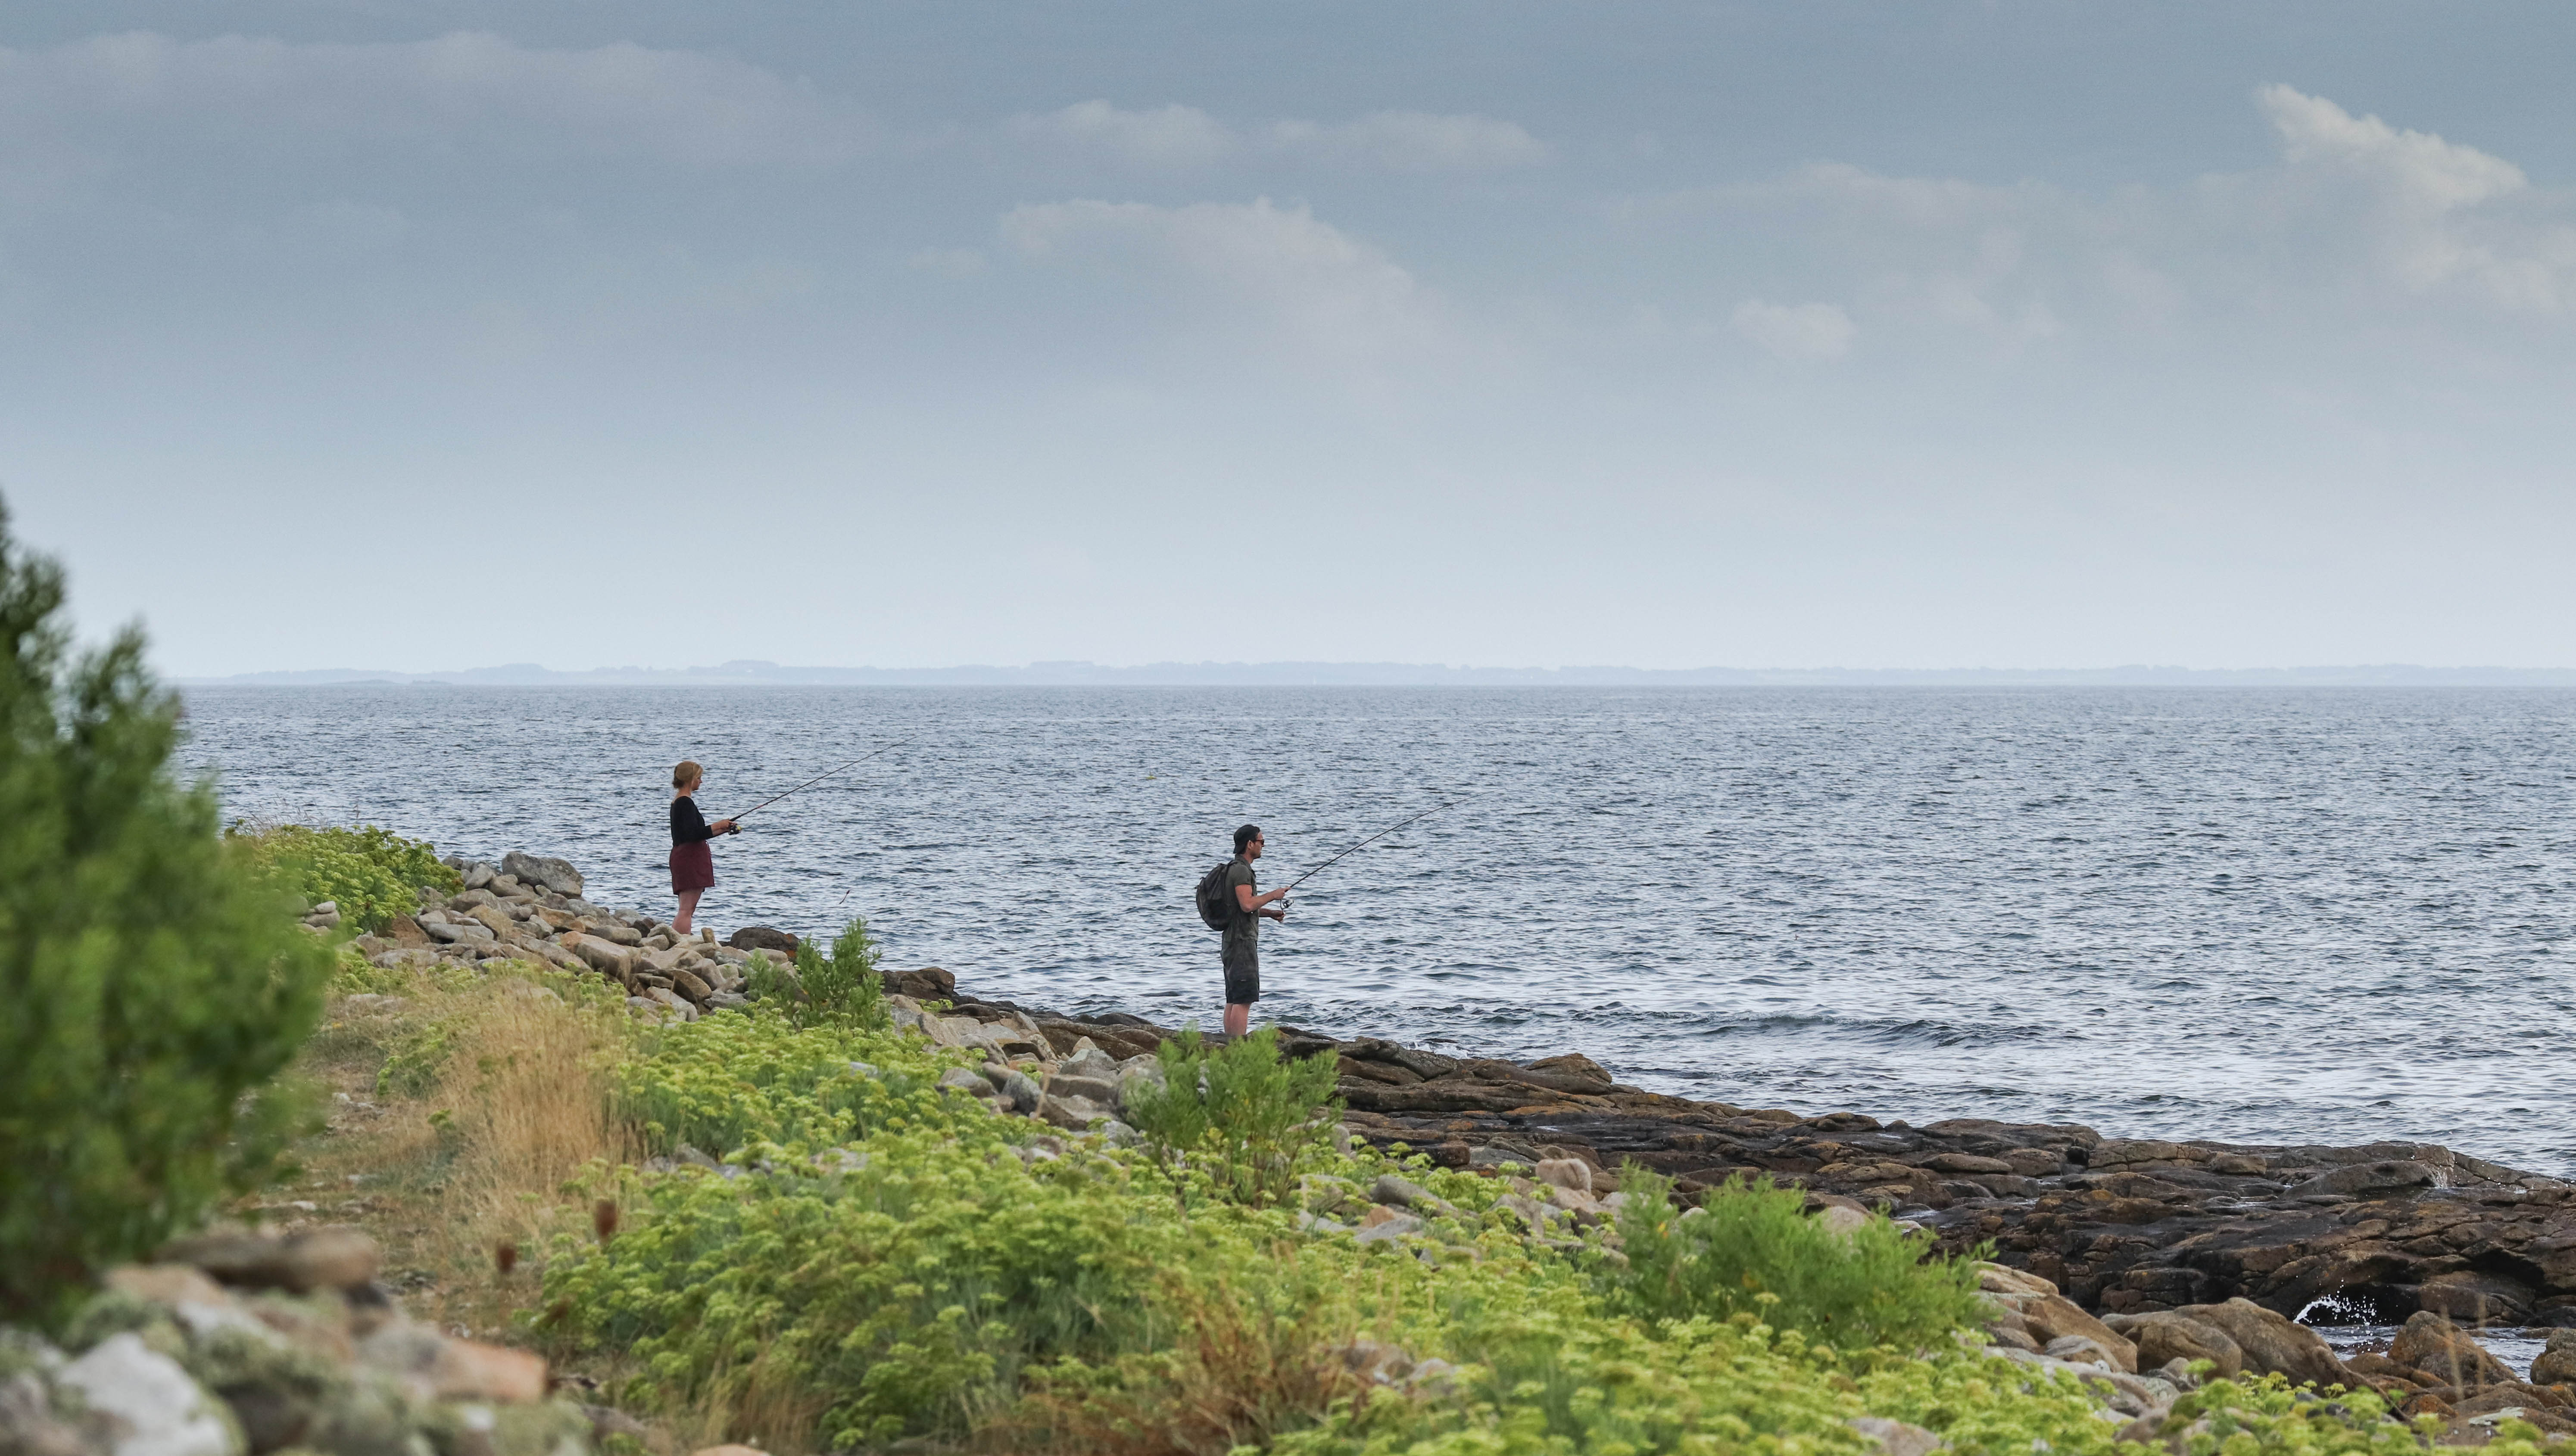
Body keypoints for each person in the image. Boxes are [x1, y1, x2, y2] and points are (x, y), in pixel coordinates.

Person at [1222, 823, 1290, 1036]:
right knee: (1244, 998)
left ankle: (1230, 1046)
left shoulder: (1234, 869)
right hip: (1242, 941)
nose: (1263, 845)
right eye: (1261, 841)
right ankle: (1238, 1048)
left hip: (1232, 941)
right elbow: (1248, 905)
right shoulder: (1241, 871)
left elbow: (1240, 908)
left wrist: (1270, 913)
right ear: (1250, 844)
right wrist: (1274, 894)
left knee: (1234, 997)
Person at [668, 759, 738, 936]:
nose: (701, 781)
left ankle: (676, 941)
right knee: (687, 909)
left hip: (687, 856)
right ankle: (680, 943)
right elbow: (694, 834)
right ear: (690, 779)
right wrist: (718, 824)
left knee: (687, 908)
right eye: (699, 778)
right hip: (689, 859)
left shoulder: (681, 802)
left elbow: (694, 833)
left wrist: (722, 829)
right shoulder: (685, 803)